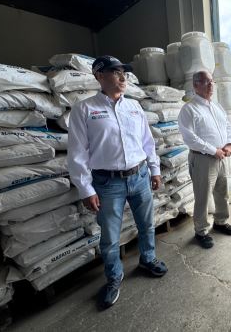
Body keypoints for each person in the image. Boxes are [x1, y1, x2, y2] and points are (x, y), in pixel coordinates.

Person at [68, 55, 167, 310]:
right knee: (110, 237)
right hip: (107, 183)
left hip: (140, 176)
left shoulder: (134, 106)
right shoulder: (85, 109)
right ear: (99, 76)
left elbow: (147, 142)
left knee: (146, 224)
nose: (123, 77)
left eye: (124, 72)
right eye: (115, 72)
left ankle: (148, 258)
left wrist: (154, 170)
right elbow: (77, 153)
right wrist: (86, 188)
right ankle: (114, 277)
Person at [178, 71, 231, 249]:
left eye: (212, 81)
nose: (211, 85)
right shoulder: (189, 109)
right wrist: (213, 150)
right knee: (203, 196)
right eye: (205, 82)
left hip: (221, 157)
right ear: (195, 85)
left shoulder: (216, 106)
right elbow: (190, 138)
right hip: (203, 159)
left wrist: (228, 144)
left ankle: (220, 221)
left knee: (222, 191)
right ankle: (201, 230)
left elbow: (227, 126)